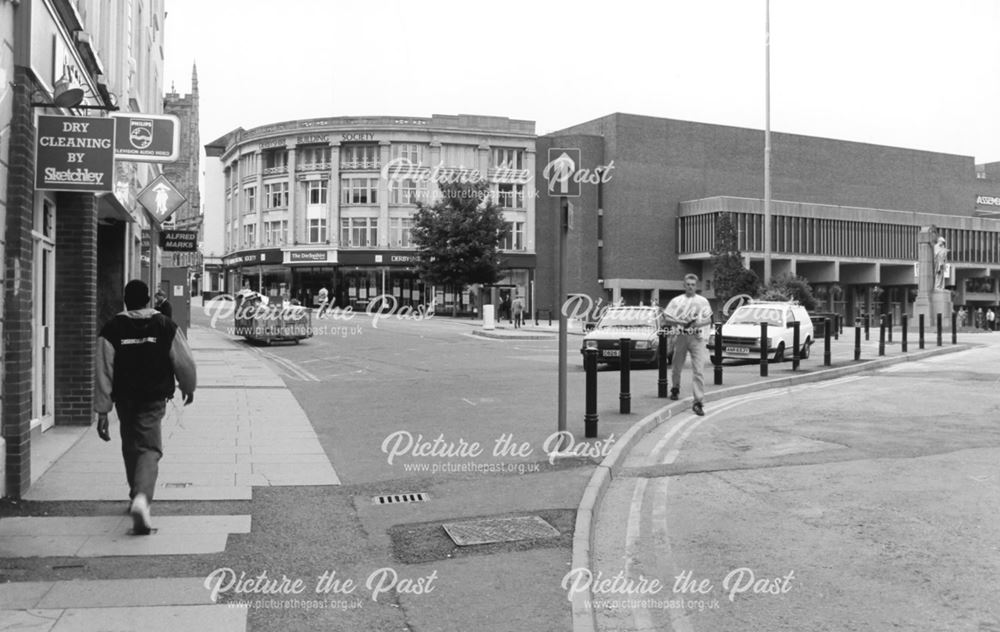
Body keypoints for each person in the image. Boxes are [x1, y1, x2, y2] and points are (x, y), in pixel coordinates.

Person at [95, 280, 197, 535]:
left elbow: (103, 371)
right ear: (149, 298)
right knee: (150, 448)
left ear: (126, 301)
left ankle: (134, 496)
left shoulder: (112, 328)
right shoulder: (164, 325)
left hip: (125, 399)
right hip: (153, 398)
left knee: (131, 445)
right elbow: (184, 360)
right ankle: (142, 498)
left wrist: (103, 410)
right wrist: (188, 386)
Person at [663, 274, 714, 416]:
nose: (690, 287)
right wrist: (678, 321)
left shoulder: (702, 301)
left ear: (696, 286)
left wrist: (698, 323)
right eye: (688, 284)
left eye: (693, 284)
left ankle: (698, 402)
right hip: (681, 336)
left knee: (698, 370)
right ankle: (675, 387)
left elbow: (709, 319)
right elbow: (666, 317)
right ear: (684, 285)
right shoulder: (676, 301)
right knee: (676, 366)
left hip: (696, 337)